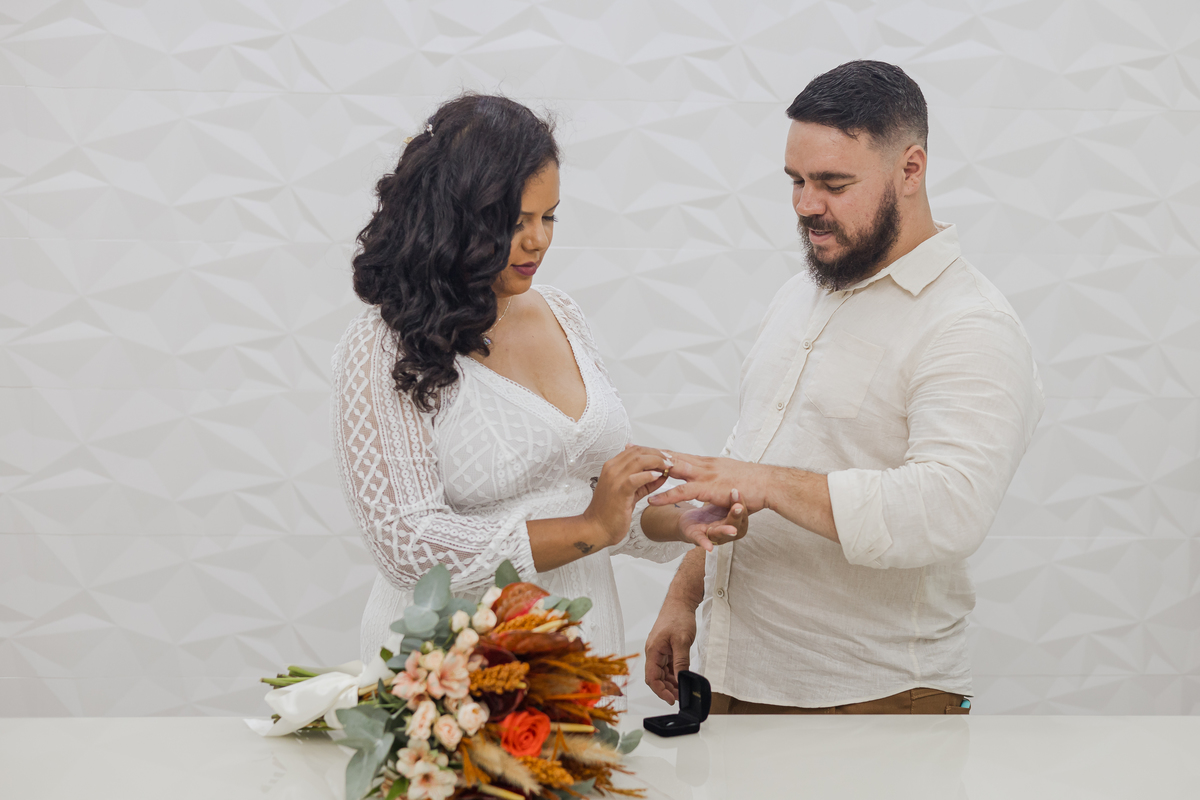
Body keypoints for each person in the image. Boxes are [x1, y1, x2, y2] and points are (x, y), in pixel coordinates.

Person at [643, 61, 1045, 714]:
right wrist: (685, 595)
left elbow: (948, 508)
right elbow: (748, 458)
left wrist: (771, 482)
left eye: (832, 183)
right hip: (733, 679)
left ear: (910, 169)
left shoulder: (971, 324)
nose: (806, 205)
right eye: (796, 181)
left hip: (874, 699)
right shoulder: (801, 293)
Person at [331, 94, 748, 666]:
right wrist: (590, 526)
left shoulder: (561, 312)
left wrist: (683, 519)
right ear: (454, 217)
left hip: (580, 660)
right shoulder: (383, 343)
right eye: (514, 222)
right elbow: (409, 547)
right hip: (451, 671)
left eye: (548, 216)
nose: (538, 240)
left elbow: (597, 508)